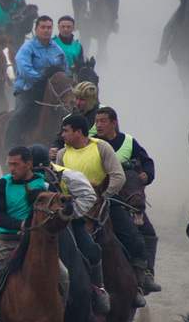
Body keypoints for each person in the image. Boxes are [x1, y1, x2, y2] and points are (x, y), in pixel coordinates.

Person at [56, 114, 149, 306]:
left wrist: (103, 195)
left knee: (134, 239)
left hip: (104, 201)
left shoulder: (101, 147)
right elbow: (61, 183)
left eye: (66, 131)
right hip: (74, 207)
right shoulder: (61, 154)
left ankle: (139, 285)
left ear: (78, 132)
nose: (62, 135)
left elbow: (118, 176)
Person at [0, 146, 49, 322]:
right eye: (10, 164)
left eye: (16, 165)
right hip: (5, 239)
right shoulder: (3, 183)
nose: (11, 169)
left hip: (33, 241)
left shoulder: (42, 185)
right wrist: (22, 224)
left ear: (28, 164)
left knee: (64, 276)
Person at [28, 143, 108, 313]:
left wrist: (69, 216)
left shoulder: (68, 176)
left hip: (68, 221)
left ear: (49, 163)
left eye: (43, 168)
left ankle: (97, 289)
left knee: (92, 250)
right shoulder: (21, 177)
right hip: (34, 222)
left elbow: (89, 196)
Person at [93, 106, 161, 294]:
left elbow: (147, 162)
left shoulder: (129, 142)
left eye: (103, 121)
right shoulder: (93, 144)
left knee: (147, 232)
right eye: (96, 121)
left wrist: (147, 173)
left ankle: (146, 274)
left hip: (127, 200)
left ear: (114, 123)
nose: (98, 125)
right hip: (101, 198)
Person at [3, 15, 68, 153]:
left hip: (52, 95)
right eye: (43, 27)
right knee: (17, 117)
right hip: (28, 92)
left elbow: (63, 71)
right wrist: (43, 81)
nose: (46, 30)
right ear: (36, 29)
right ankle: (11, 150)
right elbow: (25, 71)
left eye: (49, 28)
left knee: (69, 117)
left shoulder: (58, 50)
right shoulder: (26, 49)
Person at [48, 81, 101, 158]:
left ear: (91, 100)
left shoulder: (104, 114)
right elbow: (59, 140)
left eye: (82, 99)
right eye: (76, 98)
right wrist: (54, 149)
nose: (77, 103)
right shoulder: (68, 118)